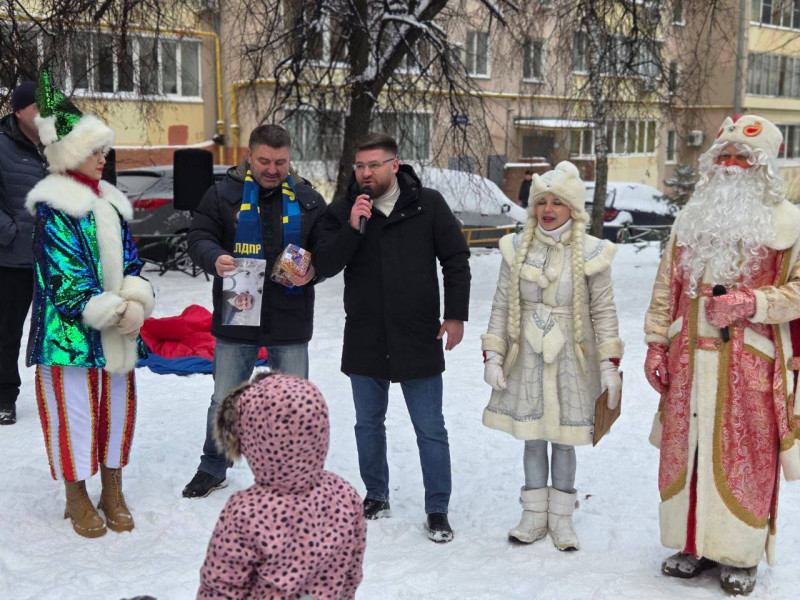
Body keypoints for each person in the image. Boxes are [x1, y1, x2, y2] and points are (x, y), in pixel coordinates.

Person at [644, 115, 800, 595]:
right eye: (724, 156)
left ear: (763, 166)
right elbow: (666, 287)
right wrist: (655, 344)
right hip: (688, 359)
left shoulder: (789, 222)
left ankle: (739, 555)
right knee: (686, 451)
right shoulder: (691, 218)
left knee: (743, 456)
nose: (731, 165)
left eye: (742, 158)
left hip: (750, 365)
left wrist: (751, 302)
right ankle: (691, 544)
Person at [313, 132, 471, 543]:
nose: (366, 173)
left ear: (394, 165)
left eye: (374, 165)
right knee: (368, 423)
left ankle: (437, 508)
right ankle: (376, 495)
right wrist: (351, 229)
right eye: (360, 166)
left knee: (430, 427)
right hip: (365, 333)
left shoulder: (427, 204)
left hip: (417, 332)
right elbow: (323, 265)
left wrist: (455, 315)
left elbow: (456, 259)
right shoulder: (344, 210)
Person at [25, 70, 154, 538]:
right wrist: (118, 312)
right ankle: (76, 494)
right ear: (70, 154)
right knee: (74, 414)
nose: (103, 158)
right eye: (95, 150)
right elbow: (66, 281)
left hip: (116, 333)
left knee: (117, 411)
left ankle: (112, 489)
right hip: (68, 337)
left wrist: (136, 299)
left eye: (104, 150)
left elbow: (132, 261)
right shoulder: (54, 208)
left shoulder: (111, 204)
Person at [481, 161, 623, 551]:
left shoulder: (592, 253)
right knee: (531, 438)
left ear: (572, 208)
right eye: (541, 201)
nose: (548, 209)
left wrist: (609, 365)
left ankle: (561, 519)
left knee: (563, 440)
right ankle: (533, 515)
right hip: (526, 356)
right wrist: (493, 355)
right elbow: (501, 305)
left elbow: (604, 311)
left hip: (572, 360)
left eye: (557, 202)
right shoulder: (516, 248)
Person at [183, 124, 325, 499]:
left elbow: (327, 245)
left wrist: (315, 269)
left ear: (289, 158)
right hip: (237, 316)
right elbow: (198, 236)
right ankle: (213, 467)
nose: (272, 169)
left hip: (290, 317)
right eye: (264, 161)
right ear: (249, 156)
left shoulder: (308, 198)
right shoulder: (222, 194)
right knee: (224, 399)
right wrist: (214, 257)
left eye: (280, 162)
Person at [197, 373, 366, 599]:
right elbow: (352, 572)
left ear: (251, 440)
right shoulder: (344, 495)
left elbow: (221, 588)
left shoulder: (246, 511)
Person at [0, 81, 48, 425]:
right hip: (11, 257)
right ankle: (5, 396)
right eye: (37, 107)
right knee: (7, 332)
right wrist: (10, 232)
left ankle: (60, 394)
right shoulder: (2, 145)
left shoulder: (55, 146)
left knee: (56, 330)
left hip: (52, 257)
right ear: (19, 112)